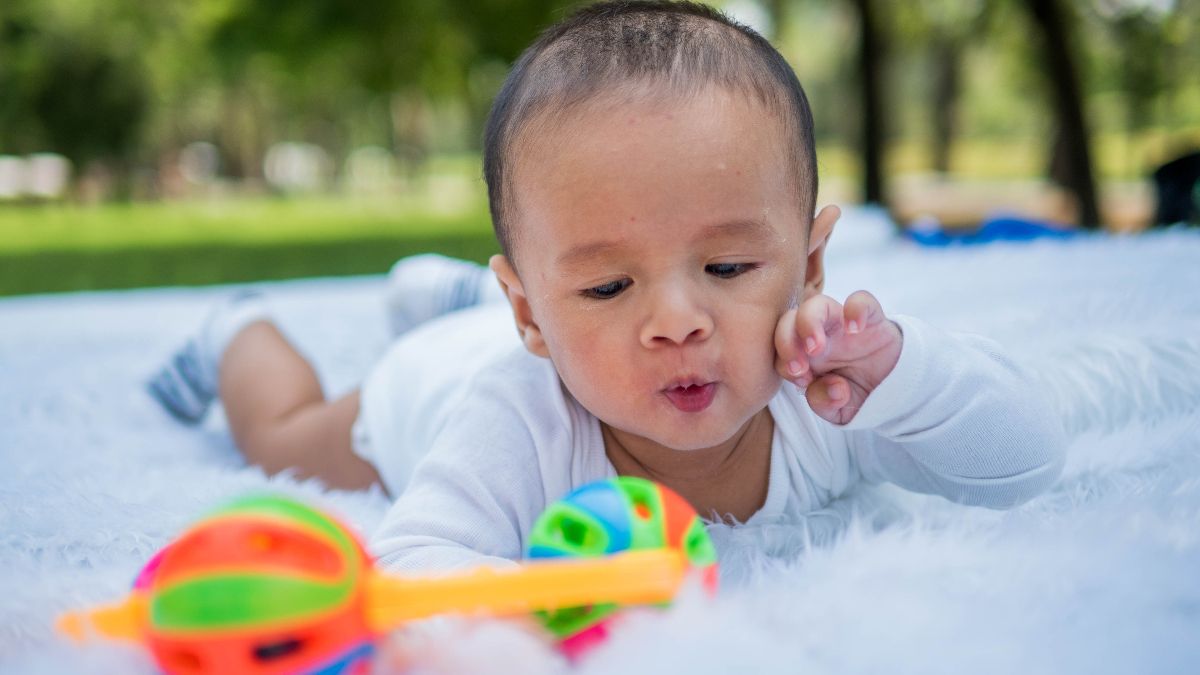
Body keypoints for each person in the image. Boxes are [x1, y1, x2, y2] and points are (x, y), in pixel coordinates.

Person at [148, 0, 1066, 571]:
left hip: (537, 335)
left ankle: (478, 293)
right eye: (607, 285)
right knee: (278, 438)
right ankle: (238, 331)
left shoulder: (826, 392)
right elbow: (415, 562)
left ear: (812, 265)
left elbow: (1026, 467)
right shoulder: (513, 421)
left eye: (728, 268)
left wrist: (908, 375)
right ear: (530, 313)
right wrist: (562, 595)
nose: (677, 321)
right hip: (433, 382)